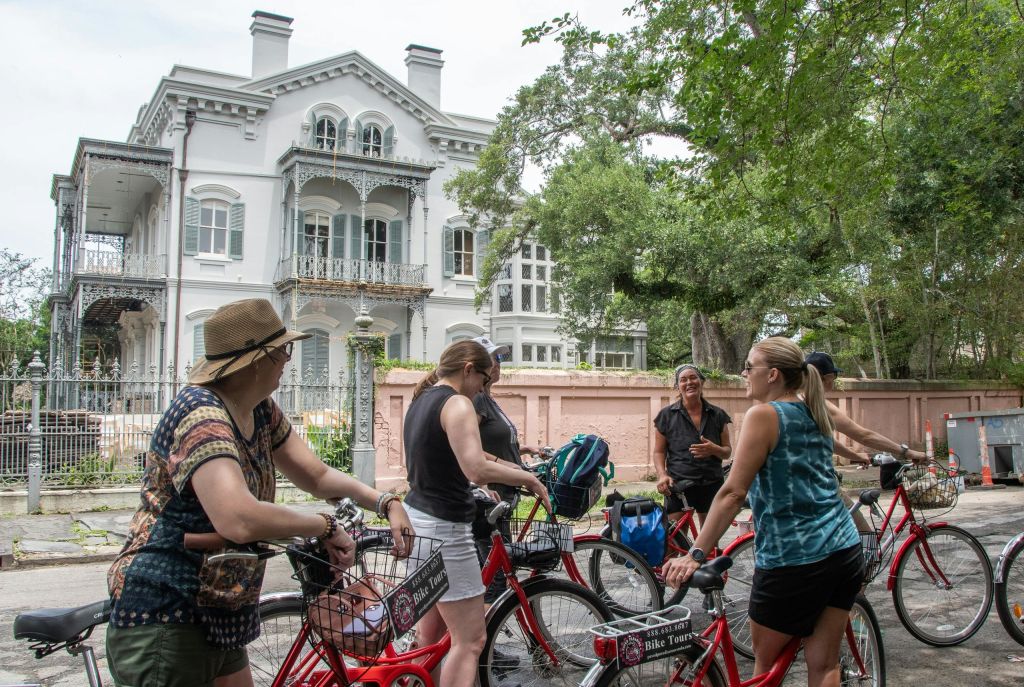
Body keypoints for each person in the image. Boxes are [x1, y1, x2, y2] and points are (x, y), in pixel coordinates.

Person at [105, 298, 414, 687]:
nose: (288, 359)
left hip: (221, 607)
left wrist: (386, 502)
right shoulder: (201, 413)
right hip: (168, 611)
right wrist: (323, 525)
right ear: (257, 359)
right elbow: (238, 516)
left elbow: (315, 475)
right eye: (284, 349)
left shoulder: (261, 410)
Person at [664, 337, 863, 687]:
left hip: (794, 560)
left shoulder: (764, 414)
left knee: (767, 669)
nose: (744, 374)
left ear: (772, 375)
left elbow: (732, 492)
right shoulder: (813, 408)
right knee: (825, 665)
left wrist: (695, 553)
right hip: (844, 550)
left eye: (749, 367)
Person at [403, 340, 551, 687]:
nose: (484, 389)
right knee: (470, 641)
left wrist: (510, 474)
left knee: (432, 638)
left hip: (417, 520)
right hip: (446, 529)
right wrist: (527, 477)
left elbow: (452, 461)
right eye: (484, 381)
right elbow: (474, 467)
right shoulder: (457, 403)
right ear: (469, 368)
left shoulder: (422, 399)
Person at [471, 336, 541, 607]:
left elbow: (492, 440)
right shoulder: (476, 399)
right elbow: (469, 446)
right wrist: (503, 464)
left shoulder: (488, 399)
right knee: (496, 573)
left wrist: (522, 450)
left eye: (500, 358)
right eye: (492, 358)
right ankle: (486, 642)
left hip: (503, 492)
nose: (497, 364)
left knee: (496, 568)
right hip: (491, 494)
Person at [805, 351, 927, 466]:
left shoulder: (793, 401)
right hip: (816, 481)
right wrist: (907, 452)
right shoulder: (820, 406)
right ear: (828, 377)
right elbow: (864, 436)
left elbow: (827, 441)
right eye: (835, 376)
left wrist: (855, 456)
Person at [653, 363, 733, 528]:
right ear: (678, 386)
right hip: (679, 485)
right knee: (674, 542)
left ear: (701, 382)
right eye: (683, 380)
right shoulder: (666, 416)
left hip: (711, 483)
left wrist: (713, 449)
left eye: (693, 378)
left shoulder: (718, 415)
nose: (689, 382)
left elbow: (727, 452)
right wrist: (662, 475)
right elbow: (659, 452)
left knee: (709, 543)